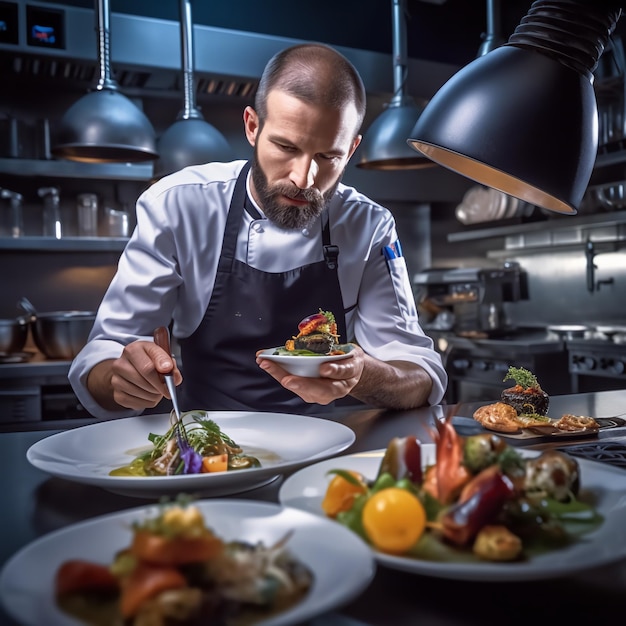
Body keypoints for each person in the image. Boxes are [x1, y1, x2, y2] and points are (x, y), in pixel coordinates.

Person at [69, 42, 447, 419]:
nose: (304, 178)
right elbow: (103, 358)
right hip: (213, 453)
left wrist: (362, 374)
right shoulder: (178, 205)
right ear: (252, 127)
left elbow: (420, 375)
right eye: (285, 146)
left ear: (351, 151)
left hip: (331, 456)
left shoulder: (369, 226)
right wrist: (124, 378)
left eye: (328, 157)